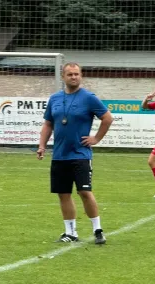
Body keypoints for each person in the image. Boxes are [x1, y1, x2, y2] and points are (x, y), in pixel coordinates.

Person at [37, 62, 113, 244]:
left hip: (80, 155)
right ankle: (70, 233)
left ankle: (98, 230)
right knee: (63, 194)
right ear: (63, 77)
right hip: (59, 155)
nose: (74, 77)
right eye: (70, 74)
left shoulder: (89, 98)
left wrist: (96, 139)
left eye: (77, 74)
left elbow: (107, 118)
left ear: (81, 76)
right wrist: (42, 145)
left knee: (84, 192)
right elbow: (48, 124)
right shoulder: (55, 99)